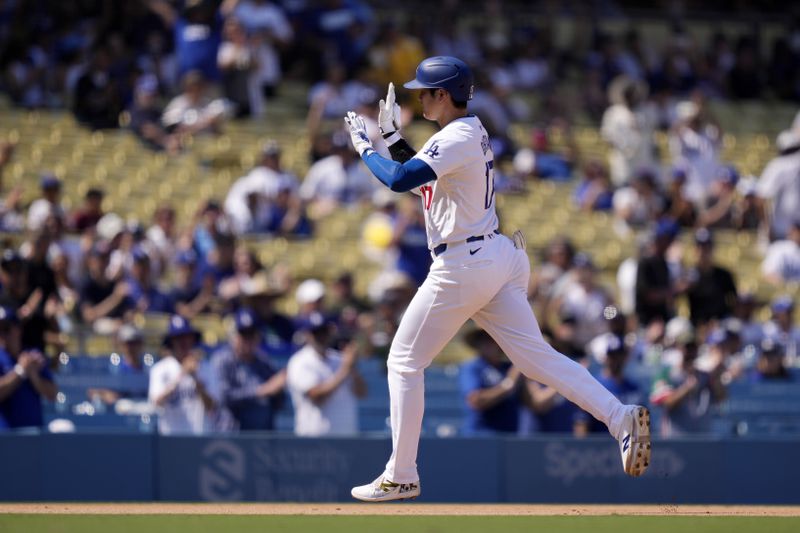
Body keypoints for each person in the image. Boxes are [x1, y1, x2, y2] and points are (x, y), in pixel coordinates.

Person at [344, 56, 651, 502]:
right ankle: (618, 415)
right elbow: (424, 185)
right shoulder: (470, 130)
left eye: (424, 92)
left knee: (404, 362)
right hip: (494, 255)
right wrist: (392, 137)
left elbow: (398, 181)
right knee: (535, 360)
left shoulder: (457, 136)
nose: (419, 97)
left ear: (442, 95)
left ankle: (402, 472)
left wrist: (366, 147)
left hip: (464, 263)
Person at [286, 313, 366, 437]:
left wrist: (353, 368)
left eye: (324, 332)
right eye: (316, 333)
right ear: (308, 335)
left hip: (348, 439)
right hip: (313, 442)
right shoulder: (299, 362)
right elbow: (316, 397)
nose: (321, 337)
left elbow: (362, 393)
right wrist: (345, 369)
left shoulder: (340, 359)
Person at [209, 308, 286, 430]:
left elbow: (278, 402)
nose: (248, 340)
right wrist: (261, 391)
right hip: (233, 438)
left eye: (252, 334)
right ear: (234, 336)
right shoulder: (223, 360)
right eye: (244, 334)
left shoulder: (264, 362)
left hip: (261, 437)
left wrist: (279, 389)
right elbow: (224, 397)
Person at [148, 315, 215, 435]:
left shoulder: (206, 367)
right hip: (171, 439)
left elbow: (211, 406)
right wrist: (182, 374)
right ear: (171, 342)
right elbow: (157, 402)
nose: (183, 342)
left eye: (186, 337)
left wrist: (195, 377)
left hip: (200, 438)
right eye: (178, 338)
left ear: (193, 339)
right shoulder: (160, 369)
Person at [0, 306, 57, 431]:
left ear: (18, 329)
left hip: (34, 436)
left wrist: (33, 376)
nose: (2, 335)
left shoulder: (33, 356)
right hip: (5, 438)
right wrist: (20, 371)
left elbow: (52, 394)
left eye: (6, 329)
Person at [459, 328, 524, 436]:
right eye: (482, 339)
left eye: (492, 338)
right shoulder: (472, 367)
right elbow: (475, 400)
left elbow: (531, 402)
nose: (487, 343)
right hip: (481, 436)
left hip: (510, 436)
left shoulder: (510, 368)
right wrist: (508, 385)